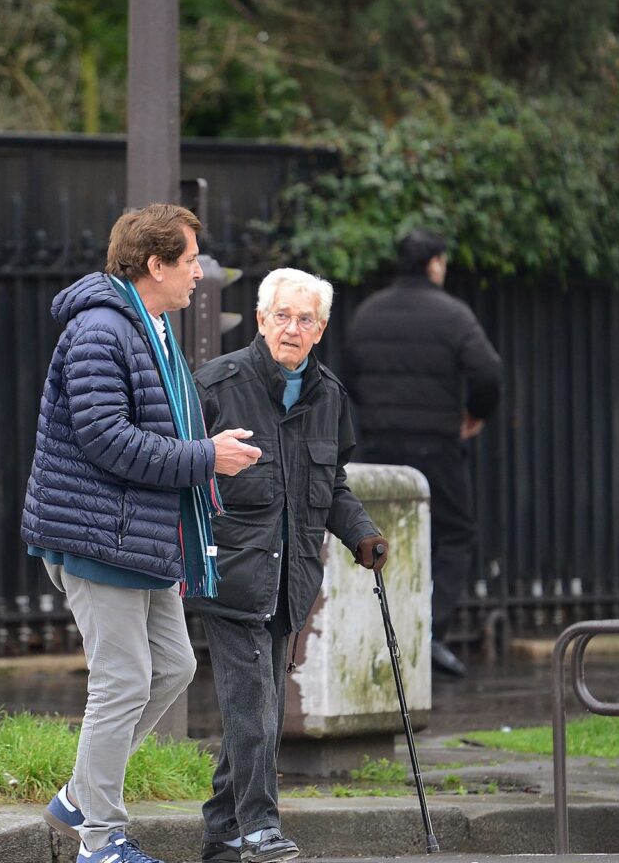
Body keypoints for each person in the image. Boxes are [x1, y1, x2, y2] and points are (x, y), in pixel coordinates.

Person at [21, 204, 263, 863]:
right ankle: (100, 843)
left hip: (138, 533)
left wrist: (206, 451)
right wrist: (205, 458)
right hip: (100, 534)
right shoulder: (102, 331)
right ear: (154, 265)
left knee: (175, 667)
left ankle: (79, 795)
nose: (199, 275)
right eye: (189, 262)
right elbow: (106, 439)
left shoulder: (147, 323)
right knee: (123, 681)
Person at [190, 267, 389, 863]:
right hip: (231, 575)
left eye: (305, 319)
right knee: (254, 706)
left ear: (321, 329)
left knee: (259, 708)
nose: (292, 329)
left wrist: (362, 535)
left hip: (290, 579)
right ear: (260, 319)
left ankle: (222, 832)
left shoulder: (329, 396)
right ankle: (259, 827)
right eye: (282, 316)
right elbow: (176, 469)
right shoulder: (218, 385)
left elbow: (333, 485)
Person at [344, 228, 501, 679]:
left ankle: (378, 633)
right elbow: (489, 370)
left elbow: (349, 371)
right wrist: (475, 415)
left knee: (375, 538)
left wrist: (375, 411)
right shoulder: (452, 315)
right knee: (454, 535)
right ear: (434, 263)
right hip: (436, 445)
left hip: (377, 446)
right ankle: (429, 633)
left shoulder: (368, 313)